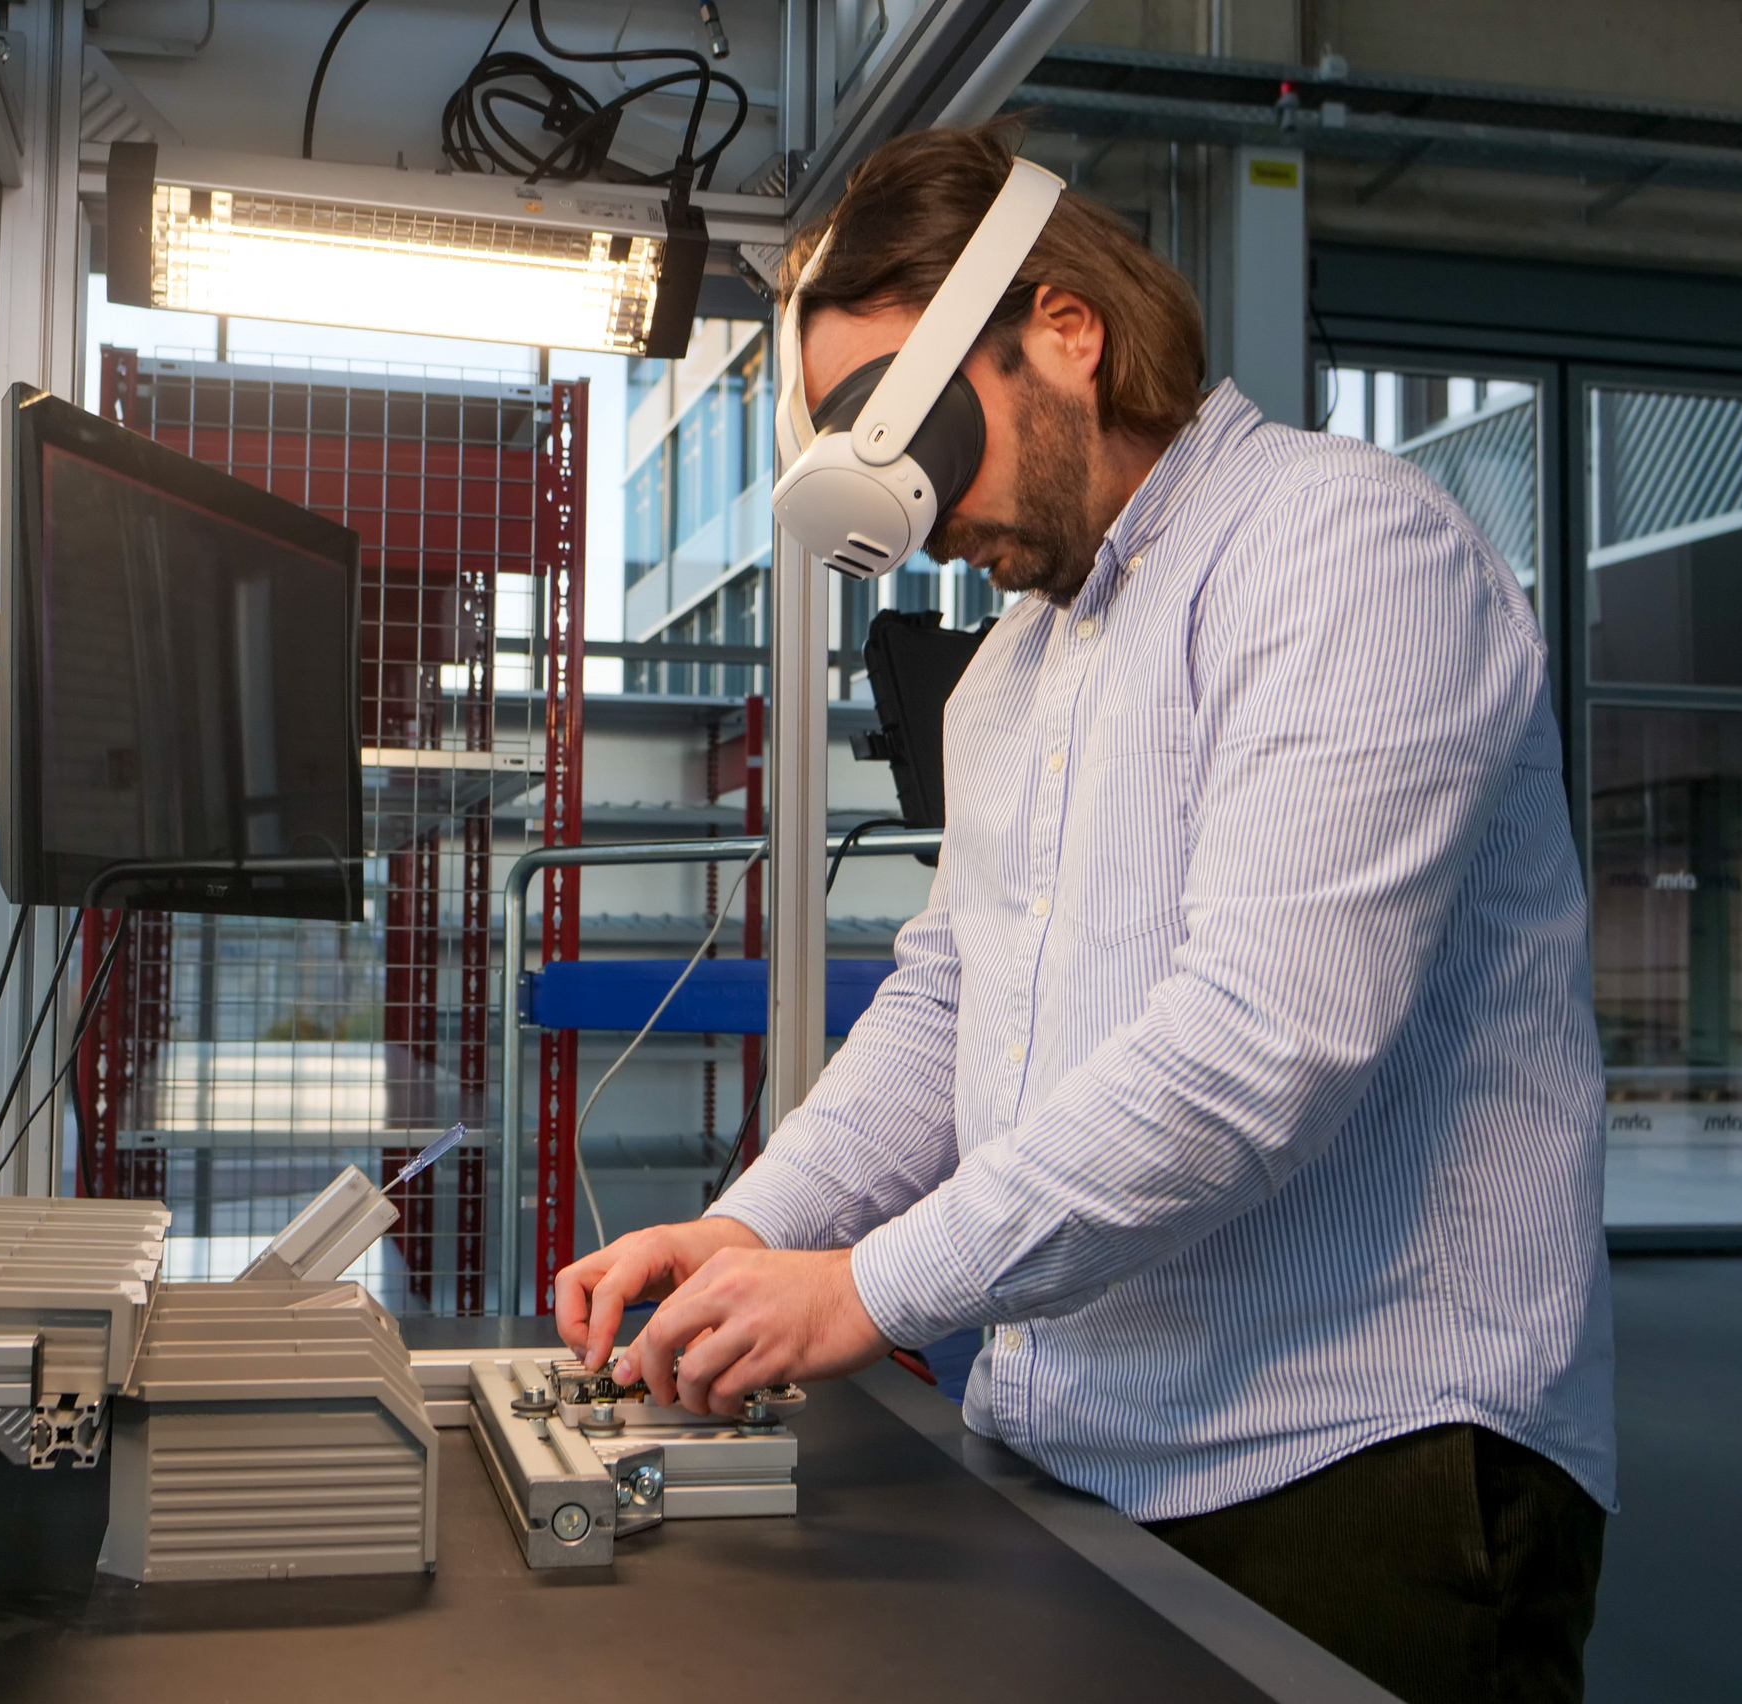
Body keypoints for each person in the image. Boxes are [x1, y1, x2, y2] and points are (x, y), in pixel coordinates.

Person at [554, 122, 1613, 1704]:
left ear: (1067, 329)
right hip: (1082, 1445)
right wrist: (757, 1225)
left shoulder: (1345, 554)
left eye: (912, 426)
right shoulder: (1008, 674)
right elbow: (943, 1008)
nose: (913, 507)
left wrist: (869, 1287)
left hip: (1353, 1462)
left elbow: (1258, 1047)